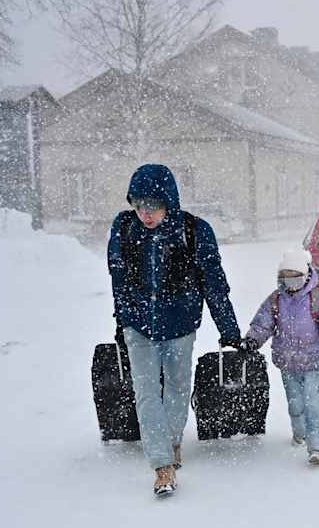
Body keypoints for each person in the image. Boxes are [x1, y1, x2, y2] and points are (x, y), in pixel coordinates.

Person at [107, 164, 242, 496]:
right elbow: (119, 280)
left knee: (178, 387)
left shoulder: (194, 231)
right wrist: (122, 320)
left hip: (180, 325)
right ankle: (162, 465)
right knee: (146, 391)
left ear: (169, 201)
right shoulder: (125, 228)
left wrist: (229, 329)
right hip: (138, 325)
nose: (145, 213)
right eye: (138, 204)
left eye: (153, 205)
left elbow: (214, 285)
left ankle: (172, 441)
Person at [241, 249, 319, 465]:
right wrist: (252, 340)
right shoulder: (276, 300)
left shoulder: (318, 300)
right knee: (295, 403)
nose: (291, 283)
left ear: (306, 276)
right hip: (287, 362)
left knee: (311, 400)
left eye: (295, 278)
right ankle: (300, 433)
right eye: (286, 278)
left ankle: (317, 445)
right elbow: (263, 323)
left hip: (312, 361)